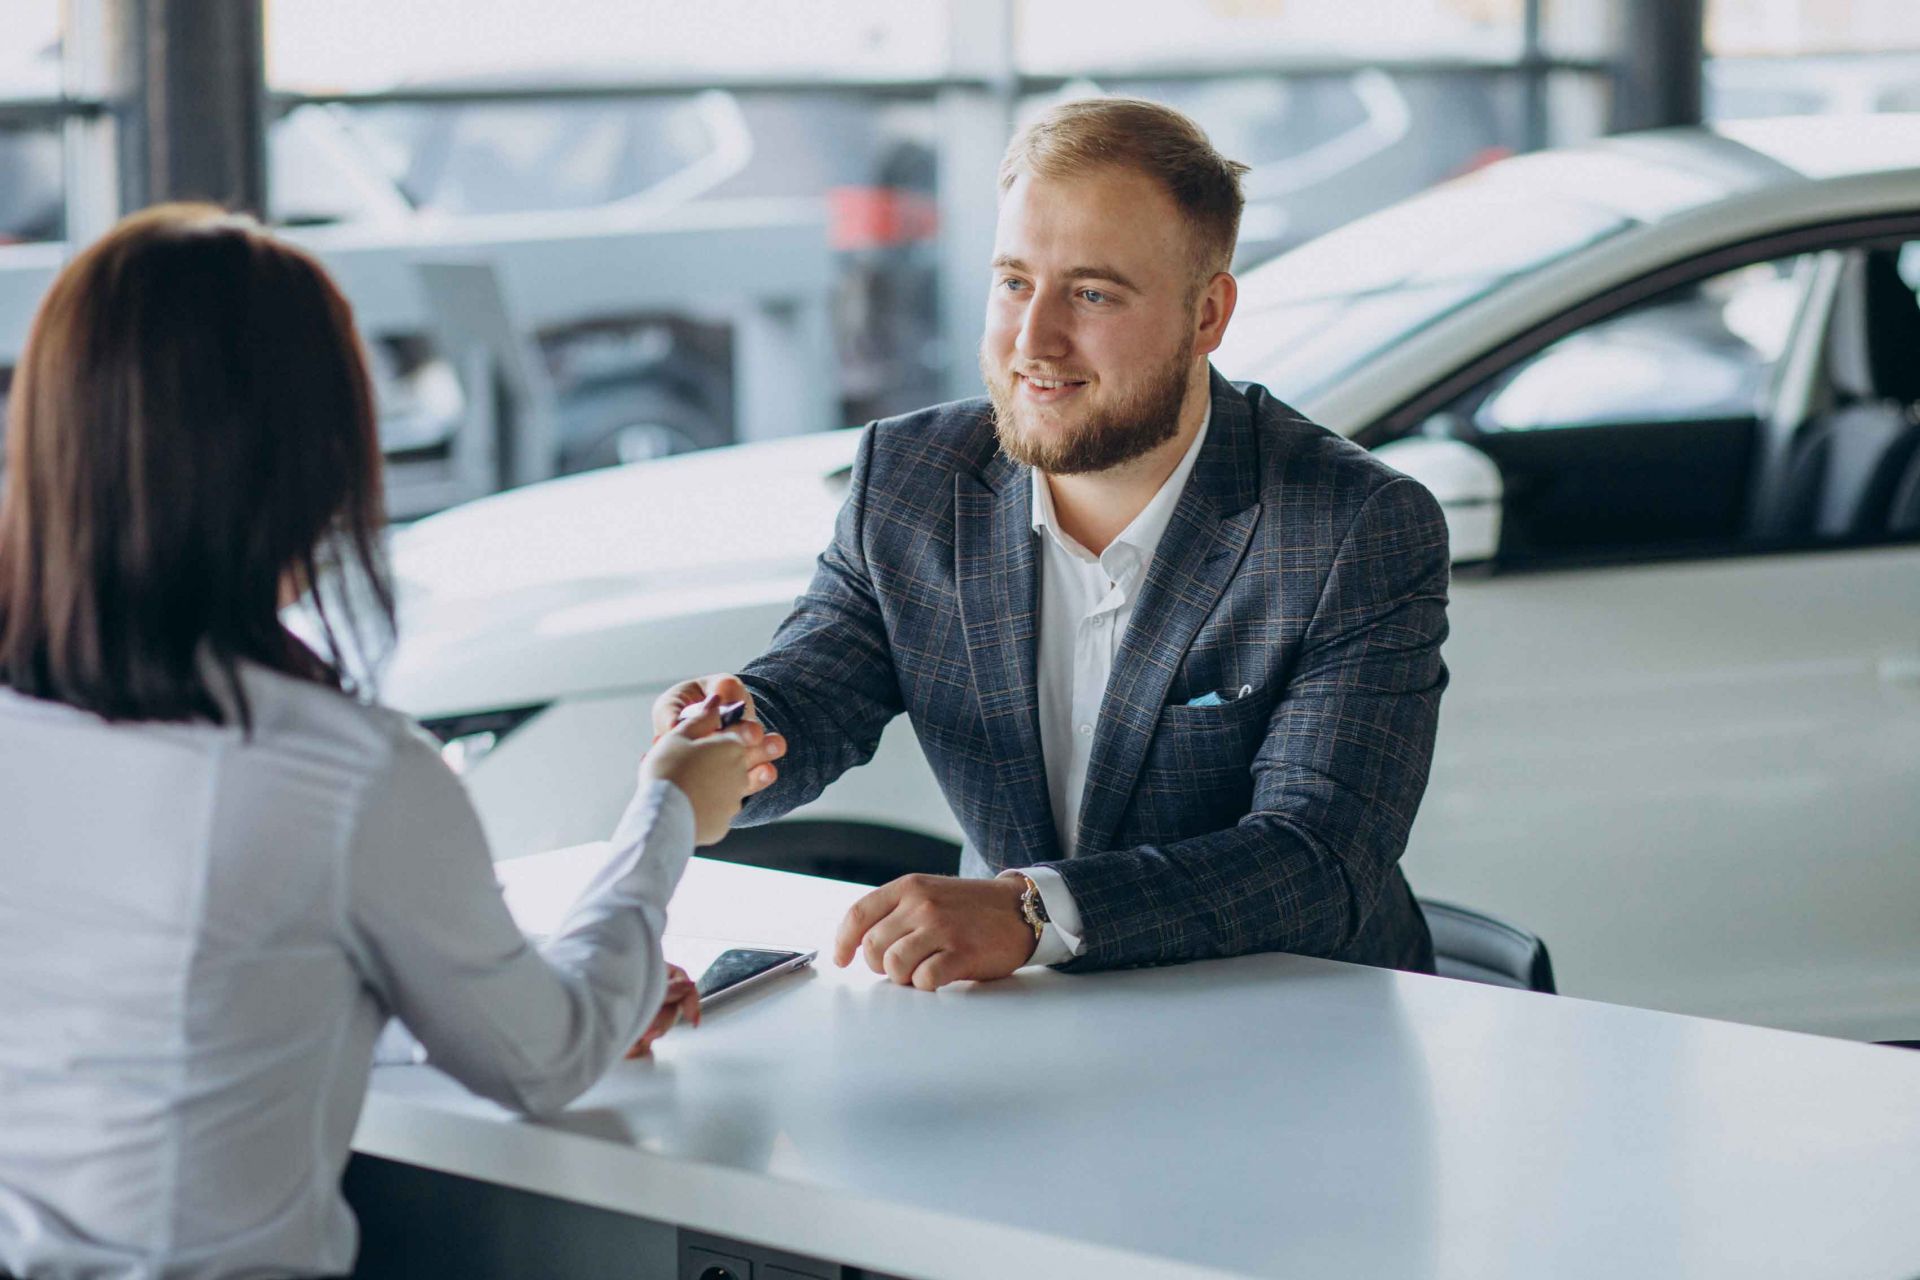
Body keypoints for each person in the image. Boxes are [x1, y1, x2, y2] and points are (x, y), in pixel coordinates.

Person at [0, 206, 783, 1279]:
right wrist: (667, 812)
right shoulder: (335, 771)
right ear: (309, 459)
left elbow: (185, 1003)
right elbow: (545, 1056)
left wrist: (442, 997)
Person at [656, 98, 1449, 990]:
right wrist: (741, 736)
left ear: (1207, 316)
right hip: (1032, 1022)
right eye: (1013, 282)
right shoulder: (913, 476)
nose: (1035, 341)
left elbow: (1320, 861)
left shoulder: (1355, 526)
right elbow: (814, 692)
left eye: (1092, 292)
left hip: (1297, 1029)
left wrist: (1033, 913)